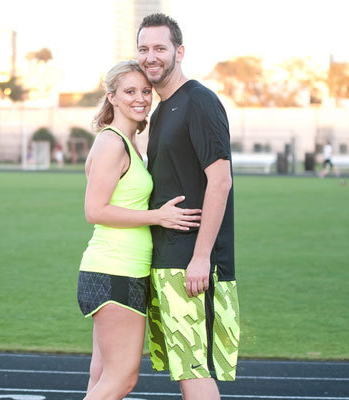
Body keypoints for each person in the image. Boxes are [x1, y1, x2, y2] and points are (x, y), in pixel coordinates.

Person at [77, 60, 202, 400]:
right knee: (121, 380)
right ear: (112, 98)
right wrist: (157, 217)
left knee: (101, 376)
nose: (141, 98)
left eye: (145, 91)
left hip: (118, 271)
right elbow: (95, 210)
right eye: (130, 91)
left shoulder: (128, 144)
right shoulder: (112, 143)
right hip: (114, 271)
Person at [136, 14, 240, 400]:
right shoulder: (161, 110)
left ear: (179, 52)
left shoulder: (199, 101)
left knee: (194, 367)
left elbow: (221, 179)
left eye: (160, 48)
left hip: (190, 265)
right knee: (185, 367)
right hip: (166, 261)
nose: (151, 57)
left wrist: (201, 257)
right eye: (144, 49)